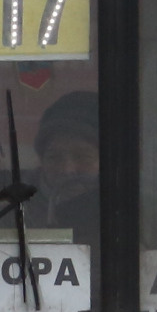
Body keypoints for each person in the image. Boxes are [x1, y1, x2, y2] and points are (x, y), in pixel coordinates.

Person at [31, 89, 102, 249]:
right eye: (54, 157)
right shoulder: (13, 217)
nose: (67, 170)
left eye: (83, 157)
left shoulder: (146, 215)